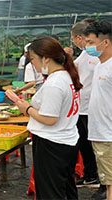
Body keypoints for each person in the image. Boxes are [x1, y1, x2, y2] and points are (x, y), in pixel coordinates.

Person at [6, 36, 82, 199]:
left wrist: (26, 108)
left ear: (46, 59)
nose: (32, 63)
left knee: (50, 192)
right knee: (66, 187)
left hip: (52, 144)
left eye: (32, 59)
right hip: (66, 140)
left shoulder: (54, 83)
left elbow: (49, 119)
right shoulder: (65, 76)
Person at [65, 19, 102, 189]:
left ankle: (102, 181)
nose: (87, 44)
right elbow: (75, 70)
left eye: (90, 41)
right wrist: (68, 58)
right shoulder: (86, 54)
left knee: (97, 146)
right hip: (82, 107)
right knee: (85, 145)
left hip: (93, 108)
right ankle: (90, 176)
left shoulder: (97, 55)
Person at [83, 20, 112, 200]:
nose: (87, 47)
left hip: (109, 134)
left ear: (106, 42)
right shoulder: (100, 64)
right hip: (100, 133)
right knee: (108, 182)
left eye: (91, 42)